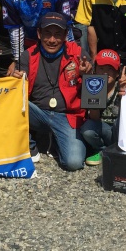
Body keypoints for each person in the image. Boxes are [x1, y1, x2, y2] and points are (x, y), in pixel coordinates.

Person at [15, 12, 91, 170]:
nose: (52, 40)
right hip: (38, 112)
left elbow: (94, 93)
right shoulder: (27, 56)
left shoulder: (79, 55)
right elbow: (17, 93)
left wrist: (87, 76)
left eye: (57, 35)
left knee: (74, 163)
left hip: (67, 116)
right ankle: (30, 143)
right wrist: (15, 80)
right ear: (39, 33)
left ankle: (54, 139)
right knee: (11, 101)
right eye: (47, 34)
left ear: (65, 35)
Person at [81, 49, 126, 167]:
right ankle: (102, 150)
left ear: (117, 73)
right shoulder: (91, 85)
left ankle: (119, 152)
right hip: (103, 129)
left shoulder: (124, 86)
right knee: (87, 128)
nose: (105, 72)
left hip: (120, 133)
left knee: (119, 123)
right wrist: (94, 96)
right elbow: (94, 119)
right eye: (101, 68)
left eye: (110, 69)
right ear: (95, 69)